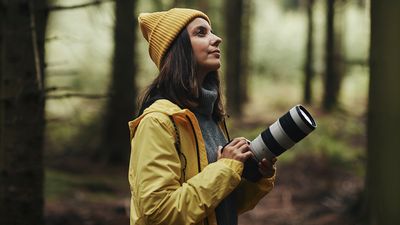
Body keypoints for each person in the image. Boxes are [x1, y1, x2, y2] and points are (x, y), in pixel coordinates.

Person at [128, 8, 277, 225]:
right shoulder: (158, 122)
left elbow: (221, 205)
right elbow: (158, 213)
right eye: (201, 33)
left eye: (212, 32)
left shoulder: (210, 118)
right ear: (178, 49)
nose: (217, 39)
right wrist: (226, 168)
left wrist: (255, 176)